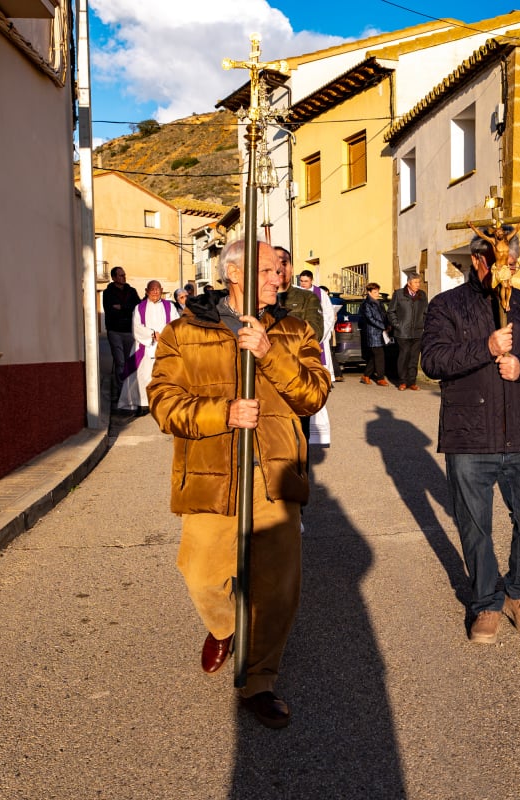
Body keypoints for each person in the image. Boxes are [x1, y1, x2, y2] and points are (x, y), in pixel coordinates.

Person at [147, 239, 330, 729]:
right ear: (235, 275)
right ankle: (225, 626)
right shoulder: (182, 332)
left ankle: (260, 680)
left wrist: (271, 354)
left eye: (281, 269)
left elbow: (314, 394)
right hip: (211, 477)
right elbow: (163, 403)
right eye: (270, 270)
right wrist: (221, 414)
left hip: (274, 476)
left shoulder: (294, 329)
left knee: (277, 588)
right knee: (201, 572)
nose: (280, 278)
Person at [421, 227, 520, 644]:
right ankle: (485, 600)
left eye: (515, 265)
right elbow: (432, 360)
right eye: (504, 264)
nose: (510, 271)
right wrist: (483, 347)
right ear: (481, 261)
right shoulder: (446, 305)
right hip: (469, 436)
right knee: (474, 526)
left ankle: (518, 592)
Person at [118, 280, 178, 415]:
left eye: (157, 289)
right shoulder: (139, 308)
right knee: (141, 376)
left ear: (162, 290)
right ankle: (142, 404)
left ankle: (163, 403)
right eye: (152, 289)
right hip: (144, 346)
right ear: (146, 291)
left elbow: (175, 323)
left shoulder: (170, 306)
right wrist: (151, 334)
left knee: (164, 376)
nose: (155, 292)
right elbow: (136, 327)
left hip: (165, 345)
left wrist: (164, 335)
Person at [102, 266, 140, 402]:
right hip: (115, 331)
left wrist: (122, 308)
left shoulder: (132, 291)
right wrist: (126, 310)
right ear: (113, 278)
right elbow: (111, 311)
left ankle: (130, 392)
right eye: (120, 275)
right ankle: (121, 392)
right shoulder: (107, 293)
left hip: (129, 331)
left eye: (124, 275)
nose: (124, 277)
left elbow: (137, 308)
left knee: (129, 363)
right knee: (120, 362)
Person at [386, 271, 428, 391]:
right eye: (415, 282)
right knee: (404, 357)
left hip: (418, 332)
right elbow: (391, 311)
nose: (418, 284)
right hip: (402, 332)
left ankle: (412, 382)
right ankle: (403, 381)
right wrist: (397, 325)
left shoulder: (422, 295)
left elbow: (426, 312)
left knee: (414, 358)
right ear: (409, 283)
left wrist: (424, 324)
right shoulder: (399, 294)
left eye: (418, 282)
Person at [273, 247, 323, 341]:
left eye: (284, 263)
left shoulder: (308, 297)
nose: (279, 268)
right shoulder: (257, 299)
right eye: (274, 264)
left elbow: (315, 333)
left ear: (291, 269)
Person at [298, 270, 337, 384]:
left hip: (317, 331)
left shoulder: (320, 294)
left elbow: (328, 314)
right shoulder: (296, 292)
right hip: (300, 330)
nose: (303, 284)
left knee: (320, 358)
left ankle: (321, 381)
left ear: (311, 280)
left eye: (306, 281)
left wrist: (322, 332)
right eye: (301, 281)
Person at [359, 283, 390, 386]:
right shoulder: (366, 304)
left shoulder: (379, 303)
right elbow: (370, 319)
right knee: (379, 354)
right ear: (369, 292)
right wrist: (383, 326)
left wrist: (388, 324)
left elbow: (384, 316)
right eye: (375, 292)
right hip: (372, 333)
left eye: (378, 292)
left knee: (374, 356)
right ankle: (380, 378)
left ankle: (366, 375)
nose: (377, 294)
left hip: (381, 333)